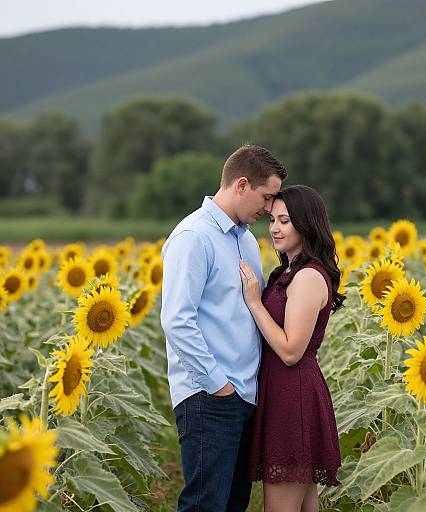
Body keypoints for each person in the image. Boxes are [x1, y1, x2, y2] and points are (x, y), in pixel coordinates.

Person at [160, 144, 287, 512]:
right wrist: (219, 385)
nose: (269, 209)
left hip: (244, 396)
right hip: (209, 395)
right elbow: (177, 320)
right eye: (266, 198)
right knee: (205, 505)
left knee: (233, 504)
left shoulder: (245, 240)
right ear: (242, 185)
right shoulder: (194, 237)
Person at [239, 185, 345, 512]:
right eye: (272, 219)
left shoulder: (308, 278)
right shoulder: (288, 272)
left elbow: (290, 350)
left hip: (293, 398)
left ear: (306, 224)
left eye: (285, 221)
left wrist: (255, 303)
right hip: (285, 394)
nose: (274, 228)